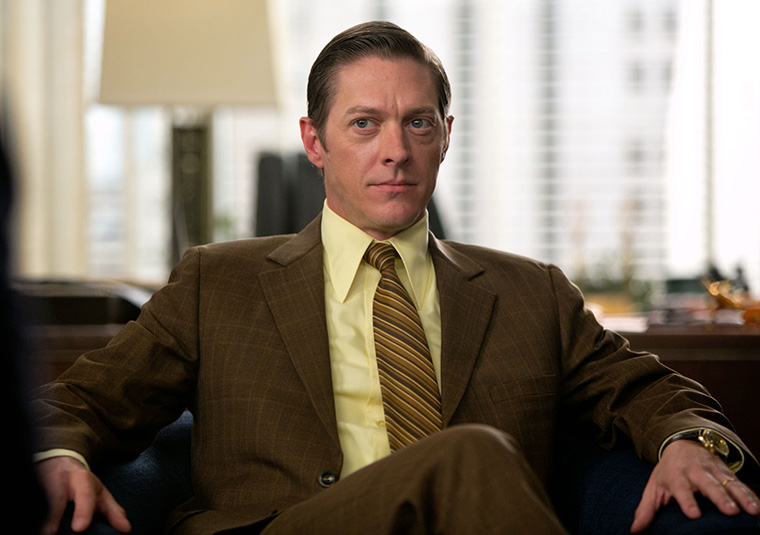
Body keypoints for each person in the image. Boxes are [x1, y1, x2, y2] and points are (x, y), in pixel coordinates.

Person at [32, 21, 759, 535]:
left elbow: (652, 392)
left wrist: (684, 441)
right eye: (364, 124)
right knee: (471, 451)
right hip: (286, 526)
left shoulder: (530, 293)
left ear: (445, 136)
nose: (395, 151)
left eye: (417, 123)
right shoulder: (216, 283)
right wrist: (60, 454)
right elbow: (84, 400)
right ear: (313, 141)